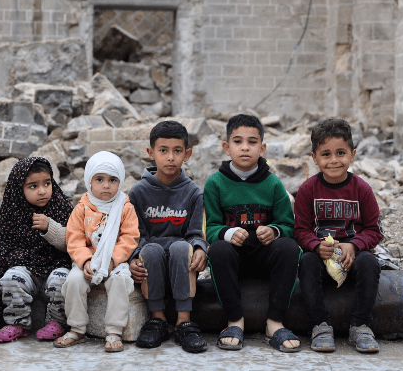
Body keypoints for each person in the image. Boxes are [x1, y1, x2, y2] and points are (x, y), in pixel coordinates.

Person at [204, 114, 301, 352]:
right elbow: (211, 228)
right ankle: (234, 321)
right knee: (217, 249)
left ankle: (274, 323)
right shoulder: (215, 184)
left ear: (262, 148)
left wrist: (275, 231)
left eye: (252, 141)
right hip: (234, 259)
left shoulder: (273, 184)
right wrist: (227, 233)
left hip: (264, 257)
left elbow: (289, 225)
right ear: (227, 147)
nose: (245, 147)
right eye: (237, 141)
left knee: (289, 247)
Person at [294, 118, 383, 353]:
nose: (334, 160)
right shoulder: (307, 190)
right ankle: (320, 324)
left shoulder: (361, 189)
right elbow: (300, 230)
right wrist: (314, 245)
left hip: (351, 258)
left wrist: (354, 245)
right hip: (321, 260)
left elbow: (375, 230)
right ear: (314, 158)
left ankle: (360, 325)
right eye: (326, 154)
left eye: (341, 153)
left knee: (370, 263)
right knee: (307, 262)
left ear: (352, 154)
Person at [128, 120, 209, 353]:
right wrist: (133, 256)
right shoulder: (138, 192)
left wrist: (201, 248)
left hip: (180, 257)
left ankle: (184, 321)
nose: (170, 157)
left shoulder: (193, 192)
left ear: (187, 154)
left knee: (182, 248)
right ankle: (158, 320)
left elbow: (195, 233)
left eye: (177, 151)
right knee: (150, 249)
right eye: (163, 151)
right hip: (152, 258)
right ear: (151, 153)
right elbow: (137, 235)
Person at [54, 151, 139, 353]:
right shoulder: (82, 208)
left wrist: (111, 260)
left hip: (115, 262)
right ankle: (77, 328)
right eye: (99, 179)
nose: (106, 185)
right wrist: (84, 262)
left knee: (119, 281)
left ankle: (113, 330)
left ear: (120, 182)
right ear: (89, 181)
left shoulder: (125, 208)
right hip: (86, 263)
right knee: (73, 281)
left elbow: (129, 238)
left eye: (112, 180)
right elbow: (73, 239)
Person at [0, 157, 73, 343]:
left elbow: (73, 241)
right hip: (26, 268)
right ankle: (17, 322)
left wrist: (50, 227)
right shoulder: (13, 212)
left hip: (56, 265)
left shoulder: (61, 207)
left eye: (47, 183)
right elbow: (4, 246)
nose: (42, 191)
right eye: (33, 186)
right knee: (10, 279)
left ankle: (57, 323)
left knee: (61, 280)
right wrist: (17, 261)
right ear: (19, 189)